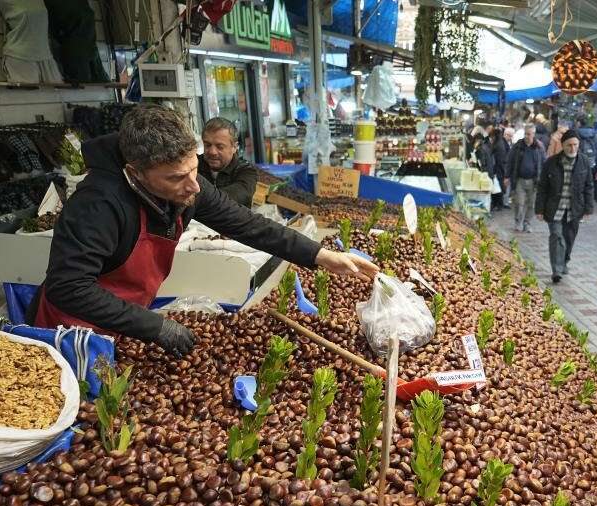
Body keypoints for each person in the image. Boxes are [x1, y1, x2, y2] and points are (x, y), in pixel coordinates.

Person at [29, 104, 378, 354]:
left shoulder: (187, 183)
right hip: (75, 331)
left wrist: (319, 255)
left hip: (125, 323)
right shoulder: (97, 204)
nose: (194, 186)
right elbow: (68, 287)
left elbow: (246, 223)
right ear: (136, 174)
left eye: (194, 169)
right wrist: (155, 326)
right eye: (177, 178)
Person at [534, 131, 594, 283]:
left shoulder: (584, 162)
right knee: (556, 236)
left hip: (574, 209)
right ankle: (556, 270)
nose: (573, 148)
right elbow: (542, 187)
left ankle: (564, 261)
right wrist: (539, 209)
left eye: (575, 145)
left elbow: (589, 186)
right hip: (554, 208)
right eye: (569, 145)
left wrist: (588, 208)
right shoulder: (551, 163)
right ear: (563, 145)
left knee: (569, 238)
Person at [196, 117, 259, 206]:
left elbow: (239, 196)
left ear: (234, 147)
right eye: (207, 145)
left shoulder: (246, 171)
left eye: (220, 147)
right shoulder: (193, 166)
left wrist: (197, 198)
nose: (212, 152)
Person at [506, 124, 546, 233]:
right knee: (519, 202)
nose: (527, 136)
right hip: (520, 179)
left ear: (534, 134)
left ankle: (527, 223)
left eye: (529, 134)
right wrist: (507, 176)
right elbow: (510, 160)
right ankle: (518, 222)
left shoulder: (539, 147)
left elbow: (543, 163)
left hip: (534, 180)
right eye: (526, 134)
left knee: (532, 204)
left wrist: (544, 178)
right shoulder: (518, 146)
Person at [576, 116, 597, 182]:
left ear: (579, 123)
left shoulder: (576, 133)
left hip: (579, 163)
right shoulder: (594, 134)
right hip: (591, 164)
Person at [490, 126, 509, 211]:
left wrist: (497, 170)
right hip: (500, 168)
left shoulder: (498, 144)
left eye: (492, 136)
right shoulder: (500, 142)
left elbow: (499, 159)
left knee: (497, 186)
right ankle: (498, 204)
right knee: (498, 186)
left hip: (499, 169)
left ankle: (498, 204)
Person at [502, 127, 515, 207]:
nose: (510, 138)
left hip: (507, 167)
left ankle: (505, 201)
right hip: (505, 167)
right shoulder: (503, 144)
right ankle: (505, 202)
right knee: (506, 185)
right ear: (505, 134)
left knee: (507, 185)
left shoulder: (509, 144)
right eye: (509, 136)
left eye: (511, 136)